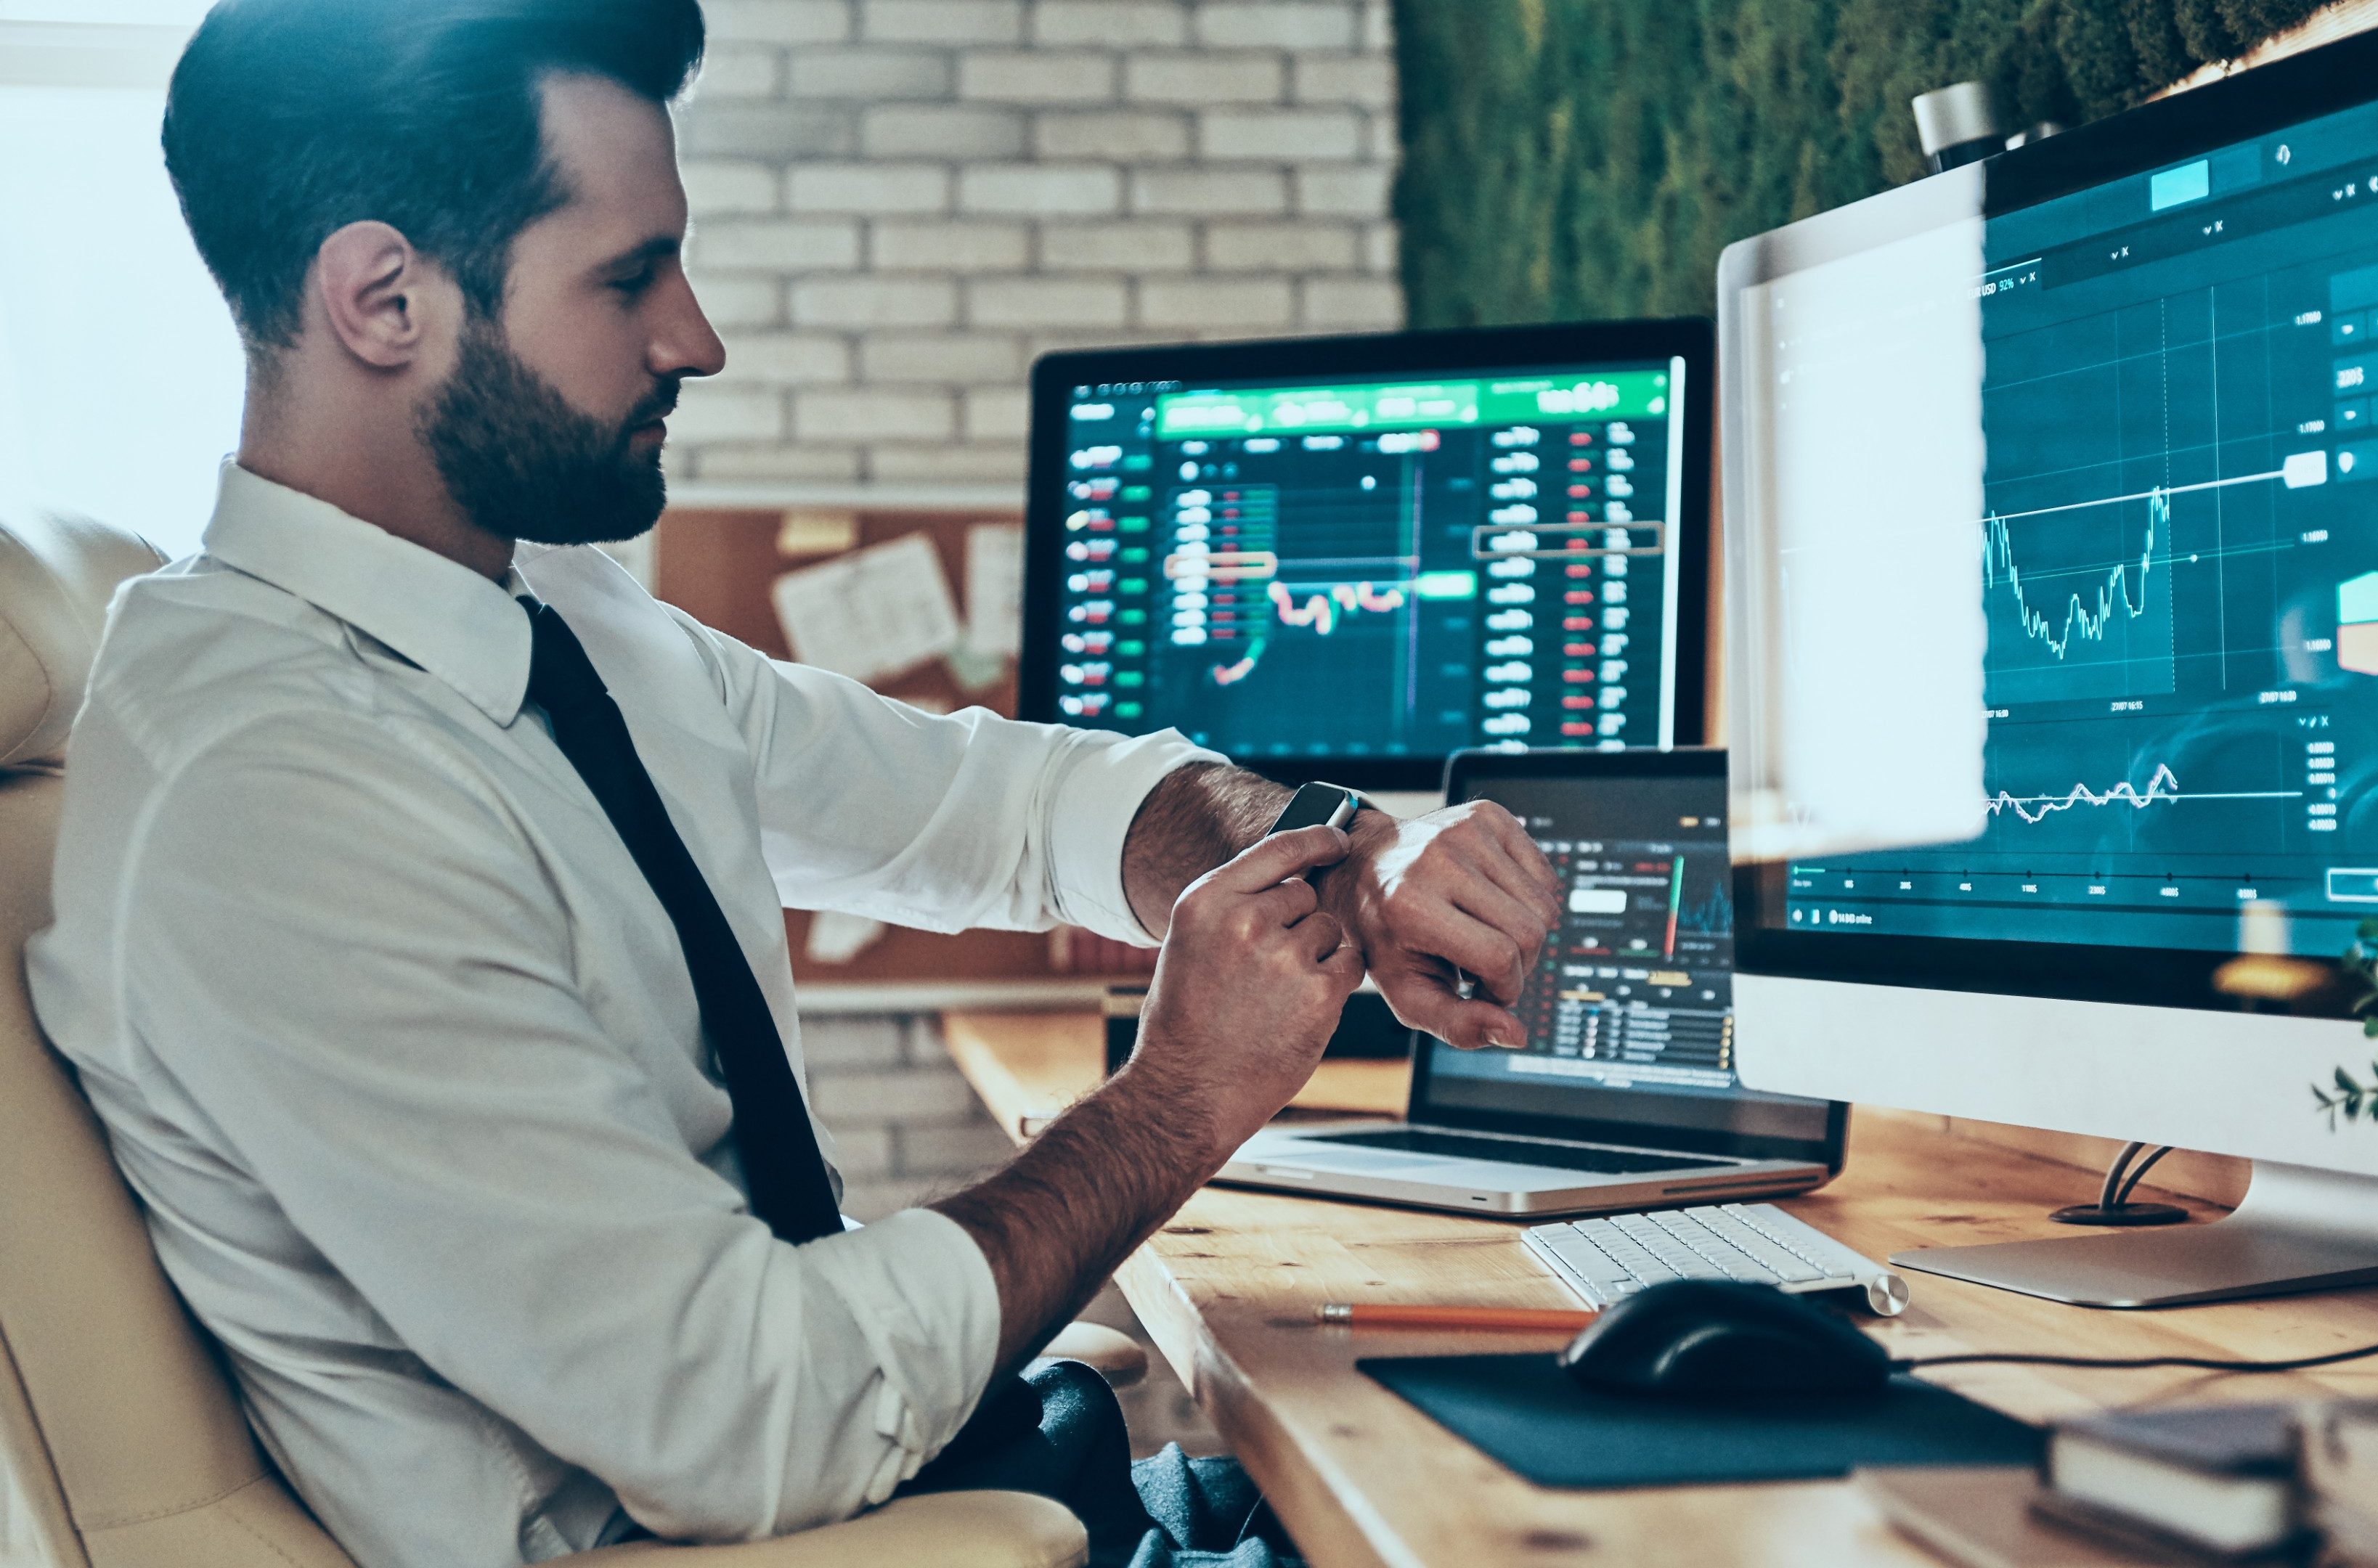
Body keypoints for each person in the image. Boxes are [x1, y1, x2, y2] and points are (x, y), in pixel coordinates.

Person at [25, 4, 1566, 1567]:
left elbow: (1001, 807)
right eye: (629, 277)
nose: (694, 336)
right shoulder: (276, 802)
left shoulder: (546, 610)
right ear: (382, 299)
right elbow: (750, 1416)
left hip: (980, 1478)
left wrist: (1346, 850)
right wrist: (1178, 1099)